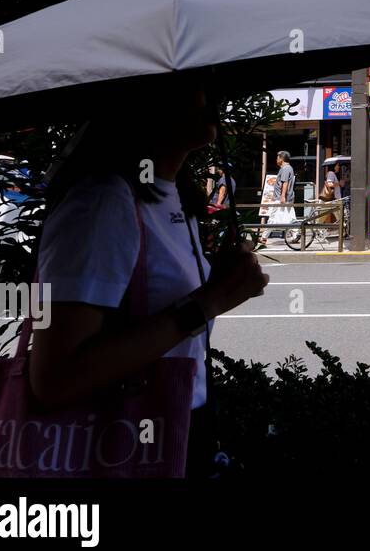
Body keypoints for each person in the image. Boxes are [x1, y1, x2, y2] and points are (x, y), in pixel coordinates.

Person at [29, 76, 269, 477]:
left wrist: (218, 286)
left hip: (175, 425)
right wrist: (209, 301)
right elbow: (54, 379)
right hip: (120, 446)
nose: (207, 93)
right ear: (143, 99)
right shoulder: (104, 202)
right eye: (189, 79)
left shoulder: (173, 197)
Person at [268, 150, 296, 240]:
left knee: (272, 217)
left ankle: (264, 237)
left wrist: (282, 196)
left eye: (277, 157)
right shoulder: (287, 168)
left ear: (281, 159)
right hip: (286, 197)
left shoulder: (285, 168)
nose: (276, 159)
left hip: (283, 198)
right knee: (291, 217)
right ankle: (296, 234)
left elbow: (285, 183)